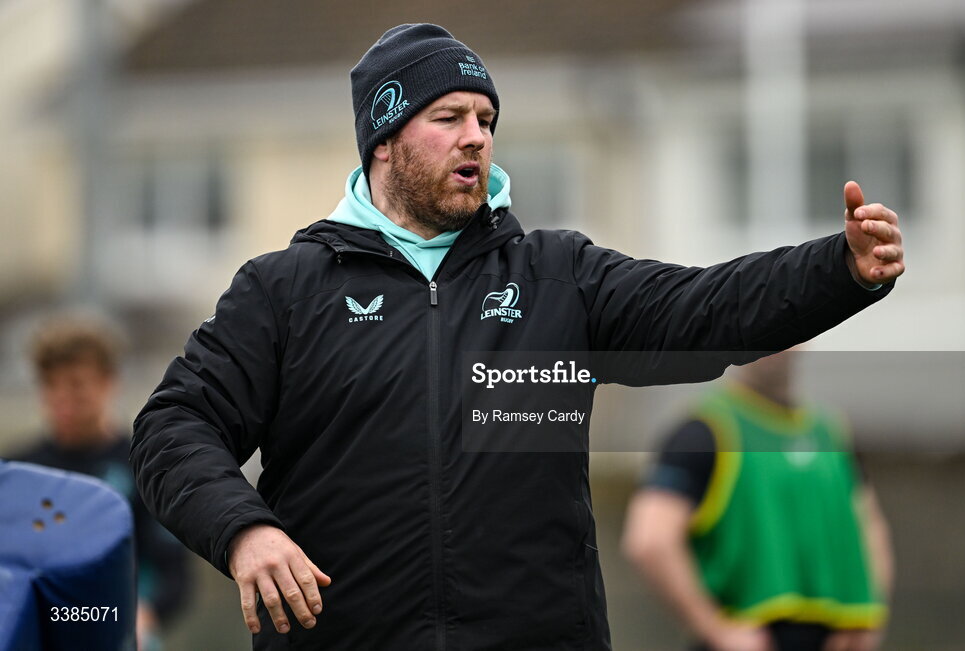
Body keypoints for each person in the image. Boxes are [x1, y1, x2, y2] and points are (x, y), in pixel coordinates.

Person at [130, 23, 905, 651]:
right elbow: (173, 425)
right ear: (384, 140)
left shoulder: (557, 274)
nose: (477, 137)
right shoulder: (285, 290)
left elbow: (708, 306)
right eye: (450, 118)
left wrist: (840, 269)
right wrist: (245, 530)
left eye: (487, 120)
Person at [621, 351, 894, 651]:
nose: (771, 342)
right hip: (754, 637)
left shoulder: (831, 433)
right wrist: (715, 628)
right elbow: (650, 540)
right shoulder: (704, 431)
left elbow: (869, 527)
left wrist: (869, 616)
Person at [10, 316, 192, 651]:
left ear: (109, 382)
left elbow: (175, 577)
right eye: (52, 384)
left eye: (77, 384)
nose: (63, 398)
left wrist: (140, 614)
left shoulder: (146, 468)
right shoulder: (18, 470)